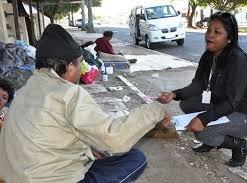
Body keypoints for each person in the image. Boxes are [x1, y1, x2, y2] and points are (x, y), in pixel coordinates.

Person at [0, 24, 170, 183]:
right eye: (80, 63)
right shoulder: (68, 93)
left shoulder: (27, 88)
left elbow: (50, 131)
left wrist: (87, 148)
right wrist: (157, 110)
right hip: (50, 179)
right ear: (69, 67)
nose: (83, 68)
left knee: (96, 150)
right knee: (136, 158)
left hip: (12, 177)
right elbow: (116, 139)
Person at [158, 12, 247, 167]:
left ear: (229, 38)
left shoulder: (238, 60)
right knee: (187, 103)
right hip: (223, 105)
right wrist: (175, 94)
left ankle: (240, 146)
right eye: (208, 30)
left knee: (203, 132)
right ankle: (212, 141)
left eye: (217, 32)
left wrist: (203, 119)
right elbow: (197, 85)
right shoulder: (209, 55)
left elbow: (231, 102)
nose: (210, 35)